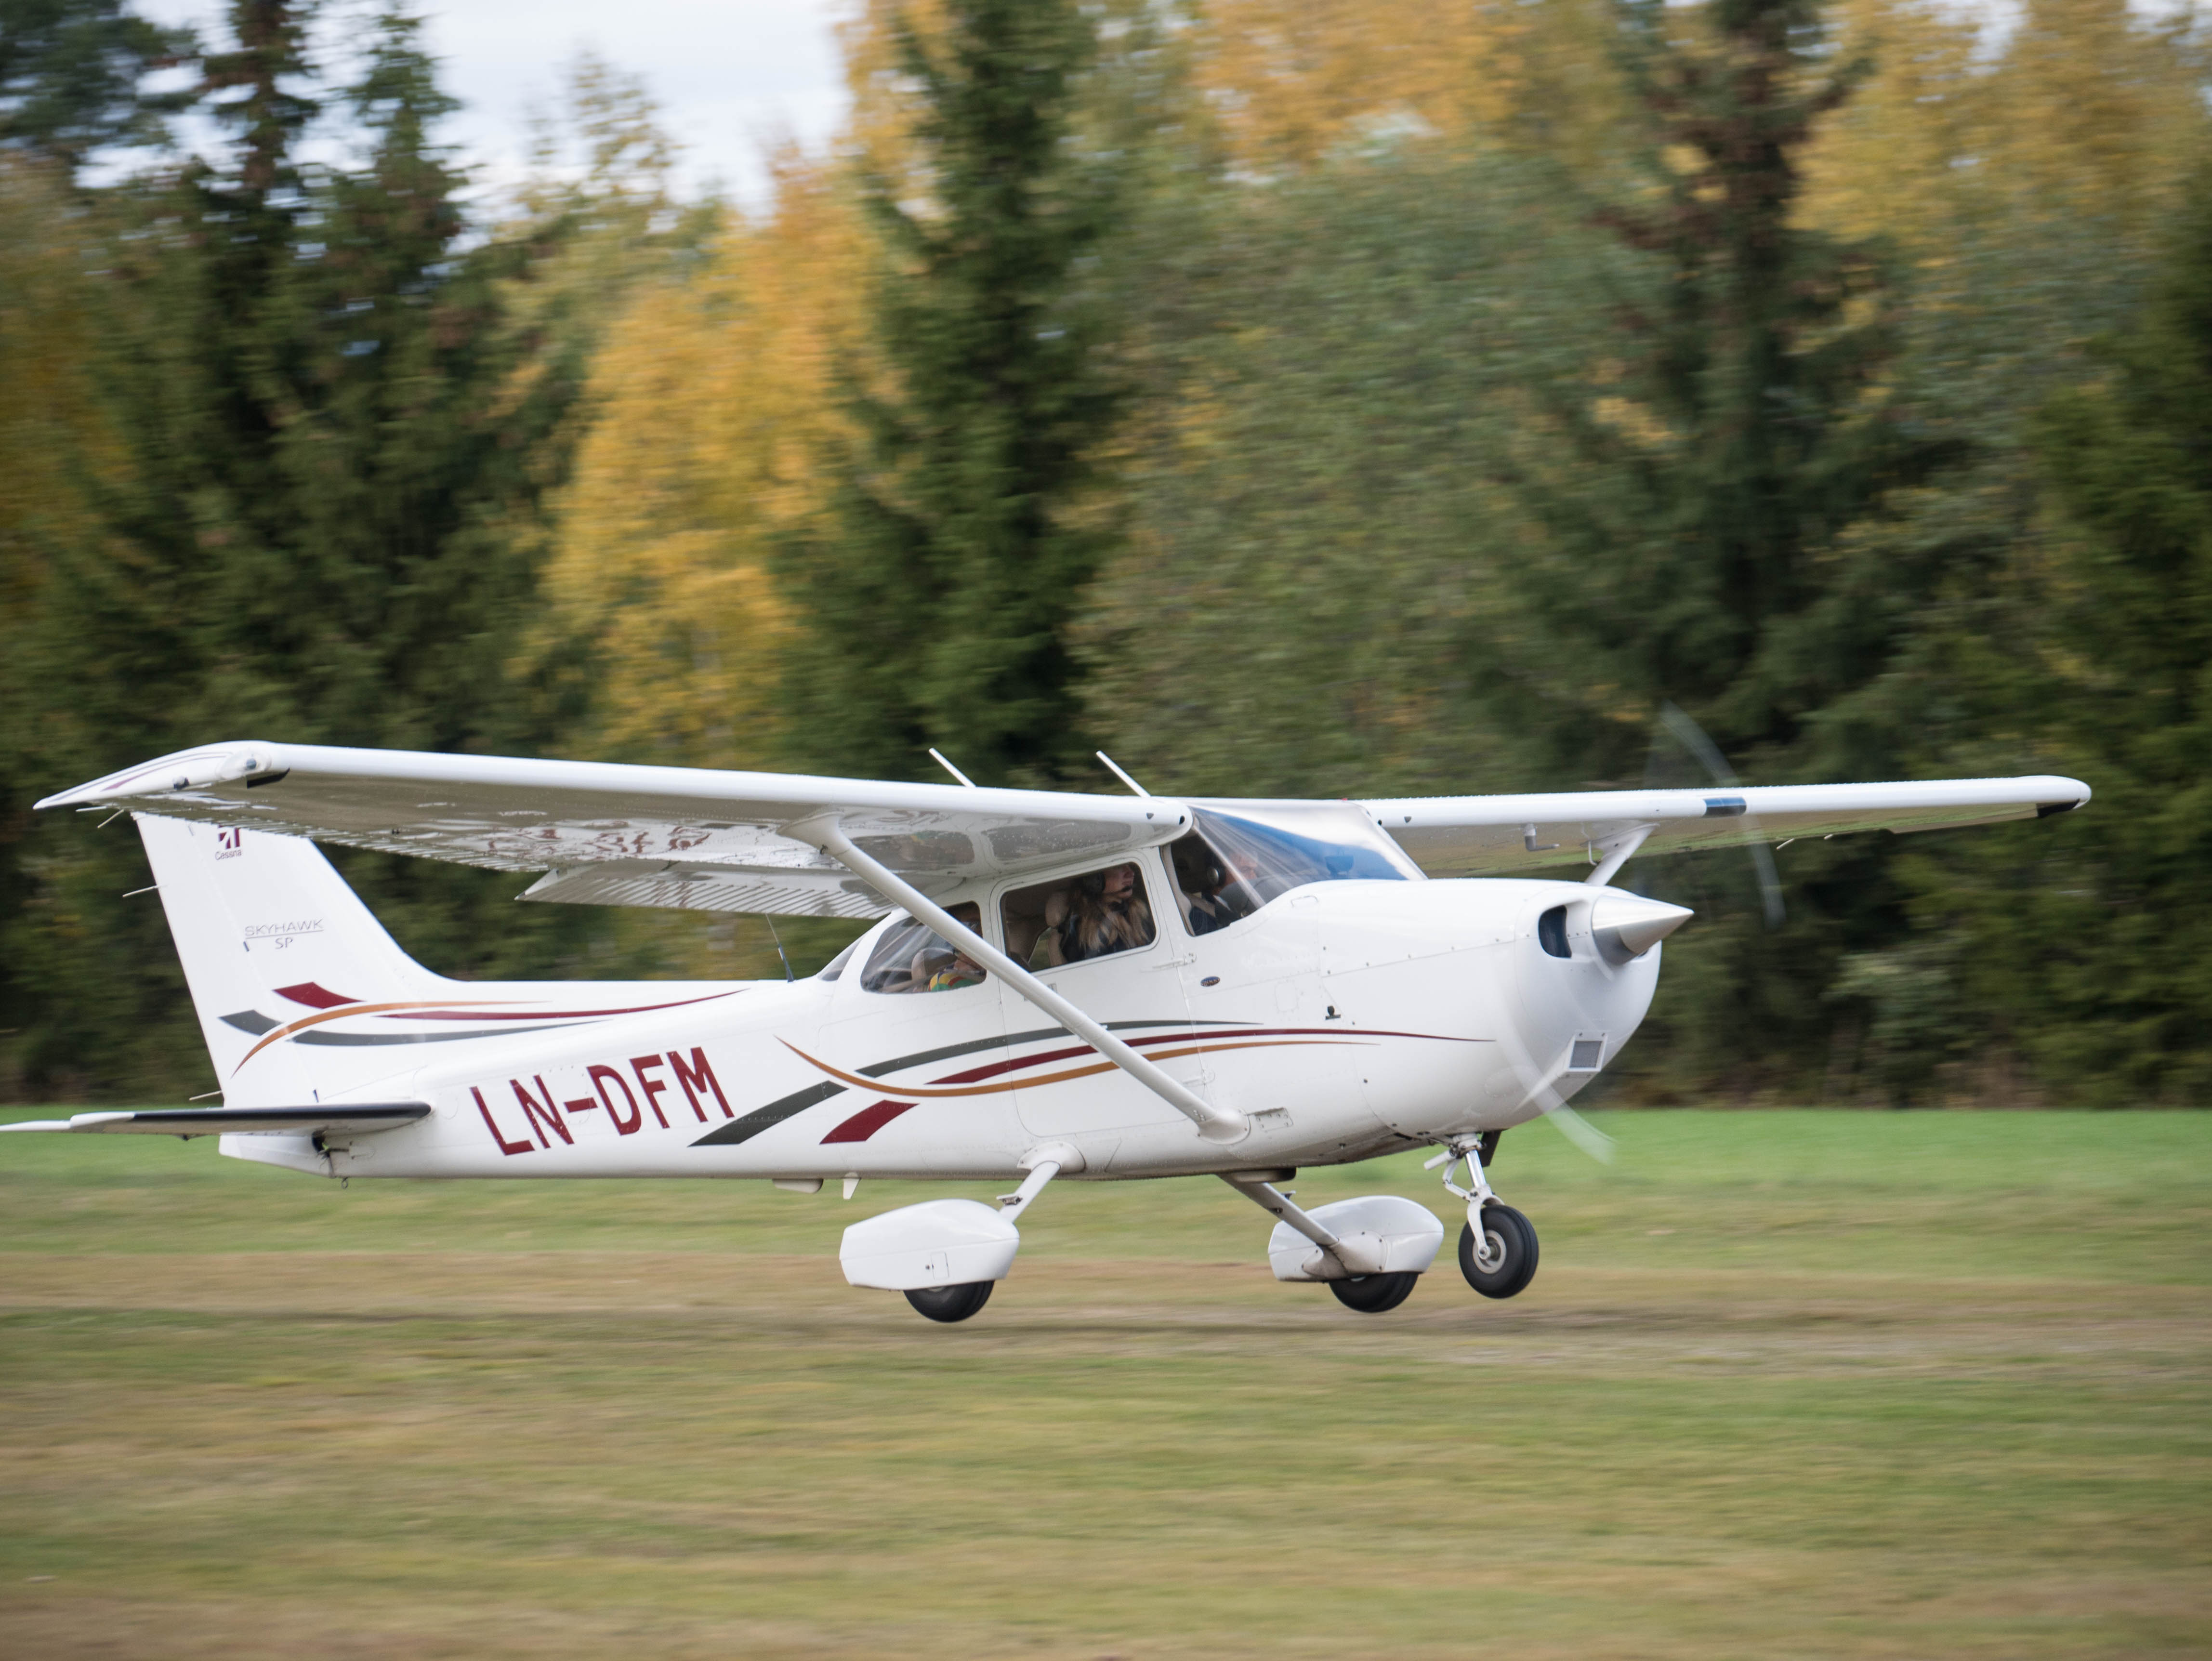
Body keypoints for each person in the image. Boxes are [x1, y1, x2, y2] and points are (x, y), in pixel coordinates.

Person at [1047, 862, 1154, 964]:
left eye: (1129, 866)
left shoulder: (1141, 915)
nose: (1131, 873)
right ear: (1093, 879)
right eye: (1118, 866)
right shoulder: (1081, 931)